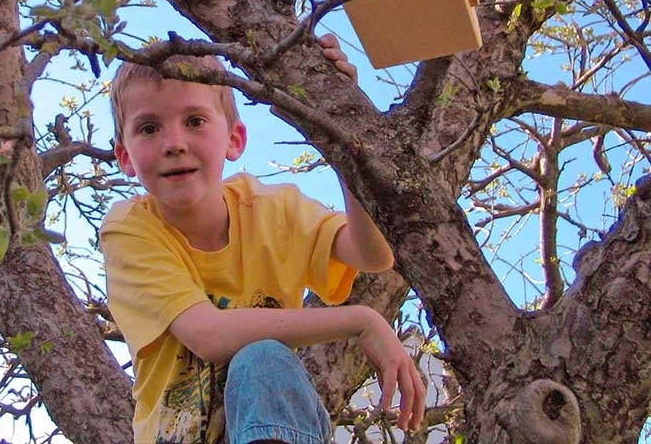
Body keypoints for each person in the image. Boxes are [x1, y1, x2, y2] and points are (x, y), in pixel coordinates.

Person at [100, 34, 425, 444]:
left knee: (263, 359)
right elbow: (207, 335)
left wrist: (342, 129)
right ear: (125, 156)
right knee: (262, 354)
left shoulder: (274, 210)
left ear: (234, 139)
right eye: (149, 128)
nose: (174, 144)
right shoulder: (130, 229)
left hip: (270, 429)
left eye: (195, 121)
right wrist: (363, 320)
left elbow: (372, 254)